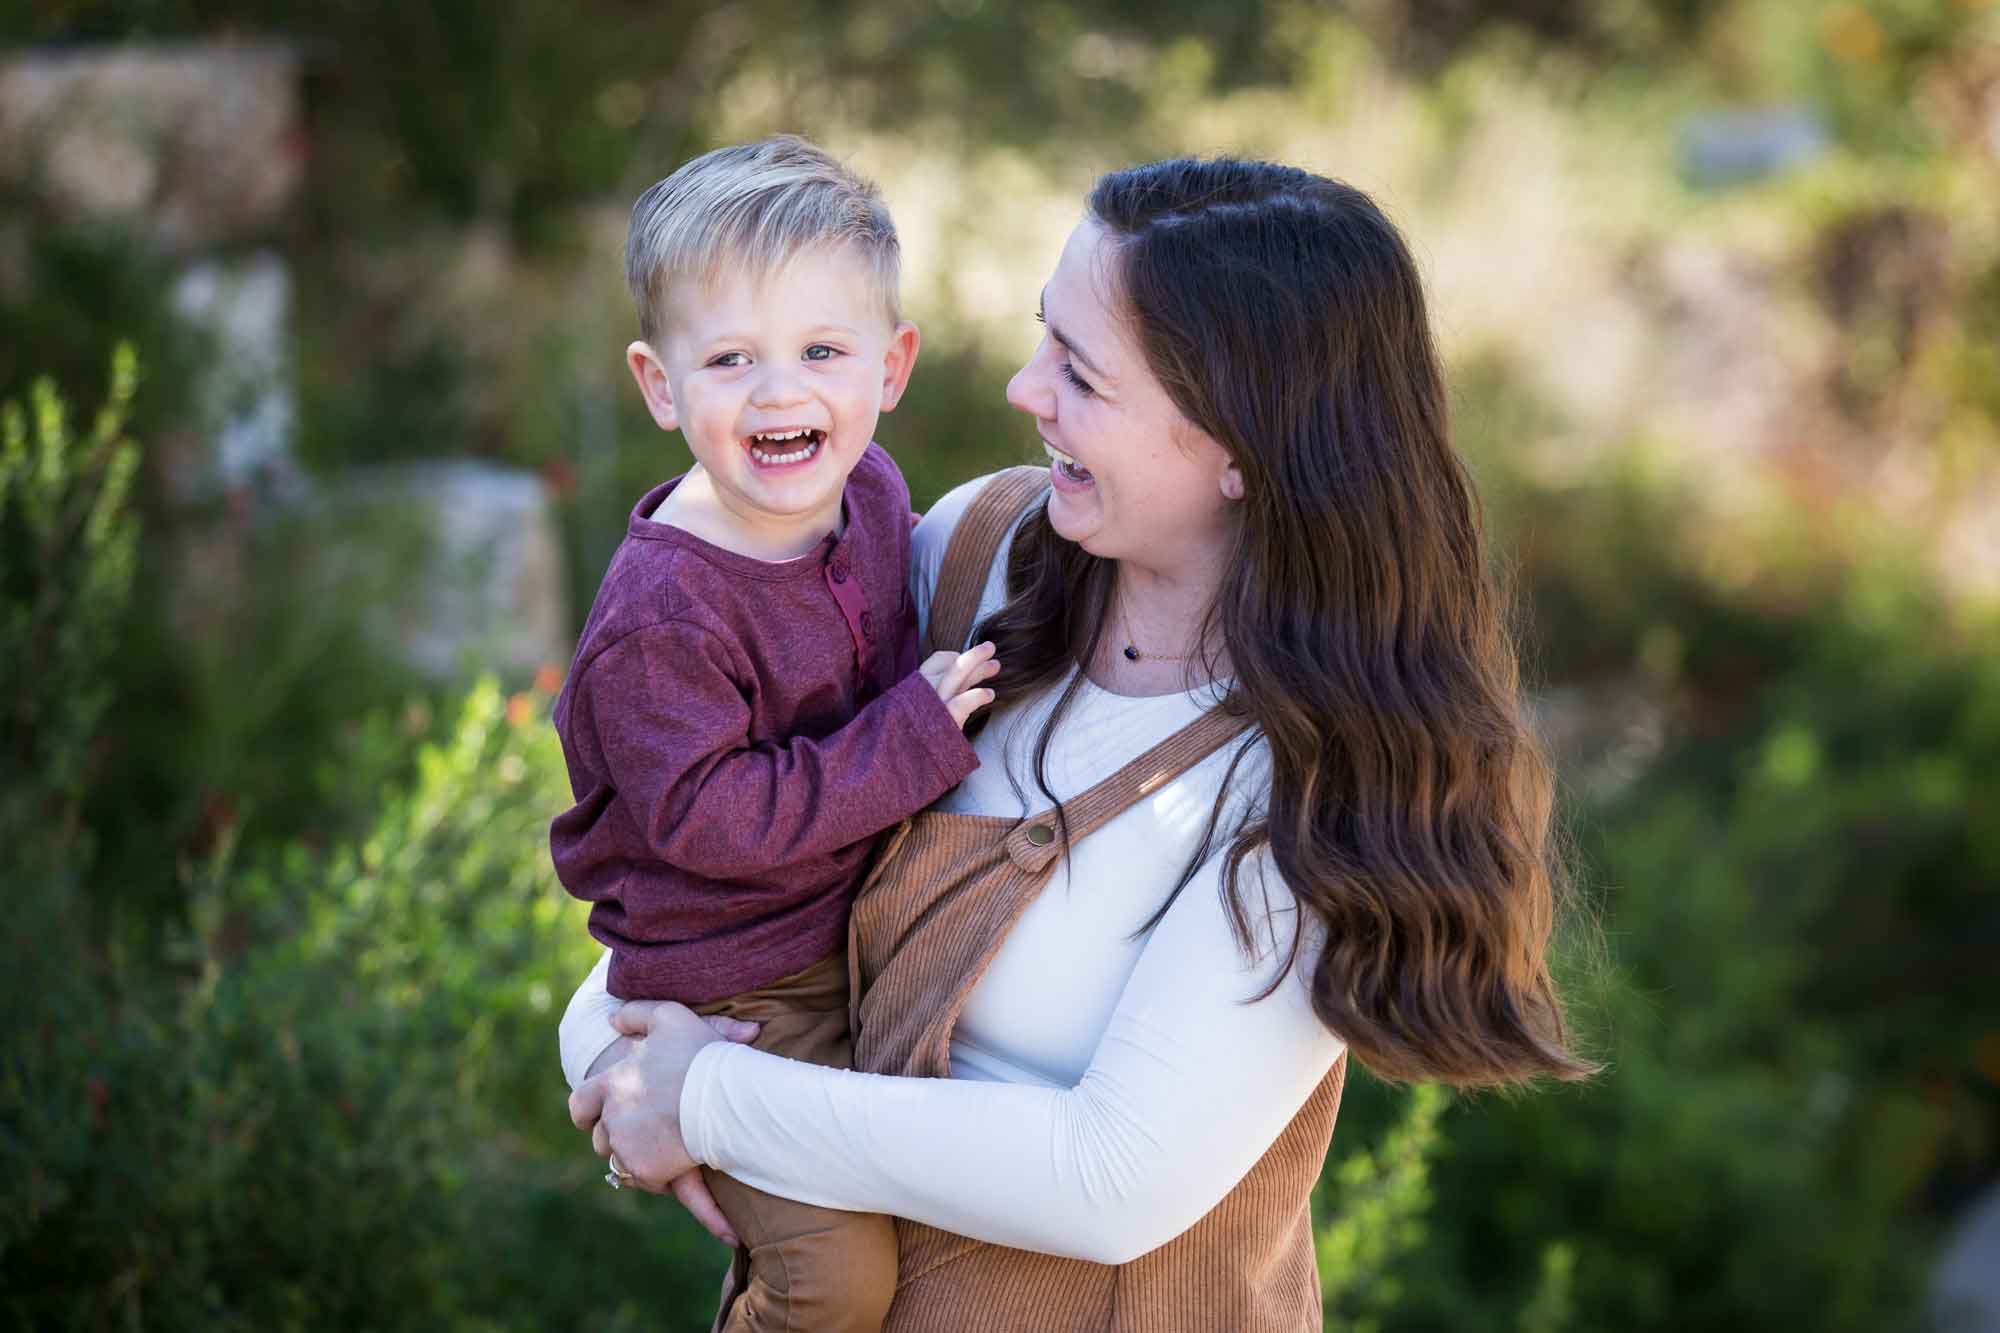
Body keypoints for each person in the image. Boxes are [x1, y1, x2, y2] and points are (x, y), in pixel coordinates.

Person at [564, 154, 1597, 1332]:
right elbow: (705, 859)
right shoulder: (969, 554)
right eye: (1039, 339)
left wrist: (708, 1097)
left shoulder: (1321, 779)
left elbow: (1109, 1178)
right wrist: (606, 1050)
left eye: (1080, 375)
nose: (1022, 389)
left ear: (1237, 449)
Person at [548, 135, 1001, 1333]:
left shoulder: (870, 495)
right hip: (745, 984)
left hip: (866, 931)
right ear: (659, 385)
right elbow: (707, 819)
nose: (779, 391)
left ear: (891, 364)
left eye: (821, 350)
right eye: (731, 357)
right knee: (832, 1282)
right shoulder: (663, 618)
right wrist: (905, 740)